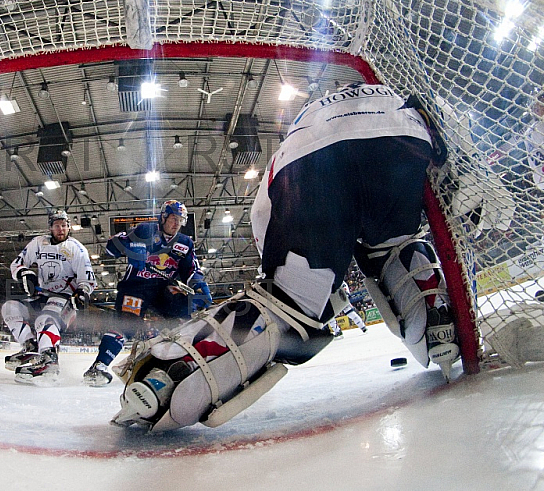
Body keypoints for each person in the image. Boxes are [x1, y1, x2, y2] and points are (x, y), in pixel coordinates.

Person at [110, 83, 460, 431]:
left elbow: (264, 216)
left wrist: (292, 290)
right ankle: (439, 331)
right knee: (394, 246)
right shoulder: (387, 91)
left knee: (287, 306)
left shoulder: (303, 128)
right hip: (402, 132)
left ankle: (166, 380)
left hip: (309, 156)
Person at [82, 200, 212, 387]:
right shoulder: (145, 230)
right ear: (163, 217)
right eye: (173, 218)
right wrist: (130, 248)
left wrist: (199, 286)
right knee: (128, 324)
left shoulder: (185, 243)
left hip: (163, 289)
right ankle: (99, 366)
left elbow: (191, 271)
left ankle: (186, 364)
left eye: (181, 220)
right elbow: (111, 248)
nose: (176, 224)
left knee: (186, 318)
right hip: (136, 287)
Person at [1, 210, 96, 383]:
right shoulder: (39, 243)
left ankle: (49, 359)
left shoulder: (77, 249)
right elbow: (17, 264)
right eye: (57, 225)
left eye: (64, 225)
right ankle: (31, 346)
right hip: (43, 295)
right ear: (50, 227)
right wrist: (24, 274)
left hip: (66, 299)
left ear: (69, 227)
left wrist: (82, 293)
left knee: (45, 319)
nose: (61, 229)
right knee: (10, 307)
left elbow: (88, 280)